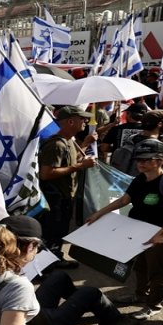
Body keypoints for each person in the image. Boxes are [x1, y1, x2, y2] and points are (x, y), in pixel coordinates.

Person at [85, 144, 163, 320]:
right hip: (139, 232)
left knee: (158, 272)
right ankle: (140, 295)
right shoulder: (140, 179)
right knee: (140, 268)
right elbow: (124, 200)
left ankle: (153, 305)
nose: (141, 163)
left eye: (147, 159)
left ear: (161, 160)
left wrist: (160, 235)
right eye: (139, 159)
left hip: (162, 235)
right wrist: (98, 214)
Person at [38, 106, 98, 267]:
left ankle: (55, 258)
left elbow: (72, 160)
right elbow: (46, 173)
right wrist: (79, 167)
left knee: (61, 230)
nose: (85, 122)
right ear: (71, 121)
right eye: (82, 118)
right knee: (53, 231)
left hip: (65, 196)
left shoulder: (69, 142)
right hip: (55, 198)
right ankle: (47, 265)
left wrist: (85, 144)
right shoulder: (56, 144)